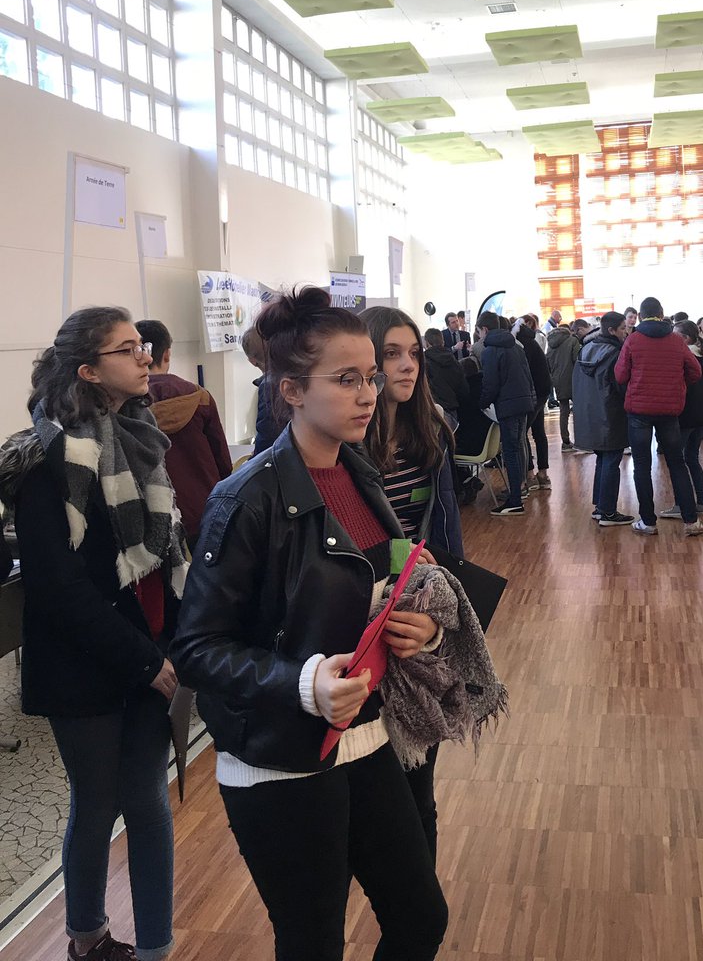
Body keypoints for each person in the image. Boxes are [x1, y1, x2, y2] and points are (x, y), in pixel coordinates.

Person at [170, 287, 448, 961]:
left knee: (420, 917)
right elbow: (197, 648)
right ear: (291, 390)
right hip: (279, 757)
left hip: (367, 734)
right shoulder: (245, 499)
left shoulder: (359, 472)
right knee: (313, 940)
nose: (368, 395)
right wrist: (304, 683)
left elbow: (378, 586)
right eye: (347, 379)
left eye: (371, 378)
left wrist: (422, 628)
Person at [0, 307, 184, 961]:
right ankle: (87, 938)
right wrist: (146, 661)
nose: (145, 357)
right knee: (97, 803)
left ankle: (156, 946)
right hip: (86, 663)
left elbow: (166, 555)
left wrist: (175, 645)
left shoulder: (141, 437)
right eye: (127, 349)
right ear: (88, 371)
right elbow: (61, 589)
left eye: (142, 347)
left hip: (149, 653)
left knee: (149, 803)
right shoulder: (44, 461)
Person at [359, 306, 464, 862]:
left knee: (420, 782)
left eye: (414, 354)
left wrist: (447, 608)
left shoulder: (431, 428)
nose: (408, 366)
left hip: (419, 619)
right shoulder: (346, 442)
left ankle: (422, 896)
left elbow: (445, 527)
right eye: (391, 354)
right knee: (375, 790)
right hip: (363, 621)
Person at [136, 318, 232, 550]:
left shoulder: (127, 405)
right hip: (204, 508)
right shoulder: (200, 397)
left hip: (151, 513)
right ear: (167, 354)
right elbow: (223, 461)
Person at [614, 297, 703, 537]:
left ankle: (648, 521)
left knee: (642, 466)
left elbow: (620, 376)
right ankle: (691, 521)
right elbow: (695, 371)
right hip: (669, 411)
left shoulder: (633, 340)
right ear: (662, 314)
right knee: (677, 463)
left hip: (639, 412)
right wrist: (678, 384)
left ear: (641, 316)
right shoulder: (676, 340)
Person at [572, 312, 633, 527]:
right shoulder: (615, 353)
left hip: (590, 414)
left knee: (603, 458)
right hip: (611, 413)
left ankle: (600, 507)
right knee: (612, 460)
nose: (626, 332)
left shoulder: (586, 349)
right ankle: (608, 512)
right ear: (611, 330)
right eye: (623, 328)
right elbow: (621, 386)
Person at [477, 311, 535, 516]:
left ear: (484, 329)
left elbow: (491, 383)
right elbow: (528, 376)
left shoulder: (490, 351)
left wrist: (482, 403)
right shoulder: (516, 346)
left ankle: (515, 500)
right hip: (524, 402)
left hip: (507, 406)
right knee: (517, 448)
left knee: (510, 452)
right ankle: (519, 492)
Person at [661, 321, 703, 519]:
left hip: (685, 414)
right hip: (701, 414)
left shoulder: (684, 356)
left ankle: (681, 505)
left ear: (685, 338)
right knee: (692, 459)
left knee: (677, 462)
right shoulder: (701, 354)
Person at [513, 319, 553, 492]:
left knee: (523, 433)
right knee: (539, 432)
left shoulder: (521, 345)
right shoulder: (531, 340)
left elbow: (524, 372)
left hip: (534, 392)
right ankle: (543, 474)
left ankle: (530, 476)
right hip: (543, 390)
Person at [242, 324, 279, 455]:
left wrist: (253, 462)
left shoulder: (269, 386)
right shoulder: (300, 373)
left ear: (252, 361)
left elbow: (268, 438)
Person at [421, 327, 468, 429]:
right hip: (452, 408)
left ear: (427, 343)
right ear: (443, 342)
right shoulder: (453, 361)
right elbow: (463, 387)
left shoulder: (423, 362)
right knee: (451, 437)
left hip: (432, 409)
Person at [546, 320, 581, 451]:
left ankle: (565, 442)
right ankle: (581, 440)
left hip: (558, 381)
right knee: (579, 411)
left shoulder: (550, 345)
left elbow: (548, 364)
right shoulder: (573, 341)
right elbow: (577, 361)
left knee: (563, 411)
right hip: (574, 380)